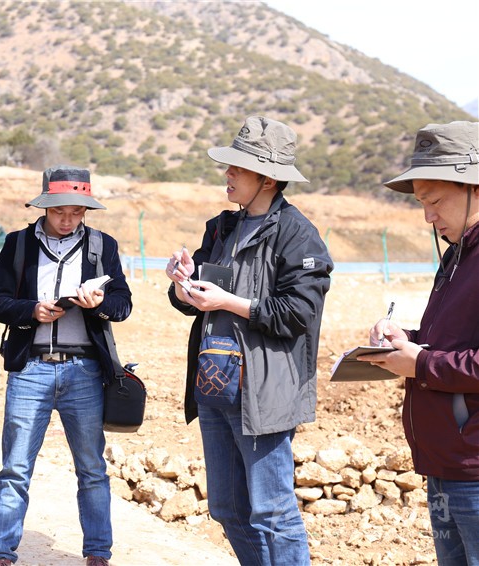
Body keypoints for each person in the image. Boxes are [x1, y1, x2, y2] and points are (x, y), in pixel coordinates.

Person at [165, 116, 333, 564]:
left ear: (268, 179)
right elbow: (193, 303)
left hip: (262, 394)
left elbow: (299, 313)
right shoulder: (221, 228)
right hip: (214, 386)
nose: (227, 174)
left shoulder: (298, 235)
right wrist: (182, 284)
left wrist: (229, 301)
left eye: (237, 169)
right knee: (227, 508)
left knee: (273, 511)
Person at [0, 165, 132, 566]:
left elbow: (123, 305)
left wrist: (98, 304)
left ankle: (98, 552)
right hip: (29, 369)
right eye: (59, 212)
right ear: (44, 207)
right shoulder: (17, 244)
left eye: (76, 213)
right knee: (15, 468)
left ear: (86, 211)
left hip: (84, 372)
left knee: (92, 469)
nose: (67, 220)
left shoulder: (103, 246)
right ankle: (1, 552)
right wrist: (32, 310)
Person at [362, 121, 479, 566]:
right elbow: (453, 340)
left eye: (435, 201)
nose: (428, 216)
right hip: (446, 461)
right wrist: (406, 341)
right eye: (421, 203)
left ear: (475, 188)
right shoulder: (457, 254)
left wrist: (421, 364)